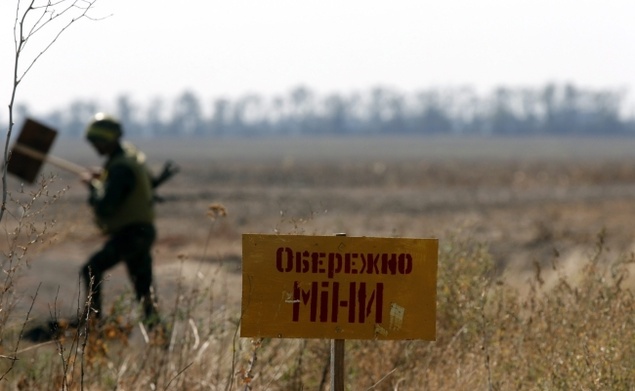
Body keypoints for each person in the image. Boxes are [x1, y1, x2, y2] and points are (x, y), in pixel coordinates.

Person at [80, 113, 161, 329]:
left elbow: (106, 206)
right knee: (144, 291)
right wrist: (105, 178)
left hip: (131, 235)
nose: (95, 147)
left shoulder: (120, 167)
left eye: (97, 142)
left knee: (91, 269)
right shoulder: (128, 157)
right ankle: (159, 338)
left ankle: (93, 324)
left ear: (108, 140)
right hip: (142, 232)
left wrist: (92, 186)